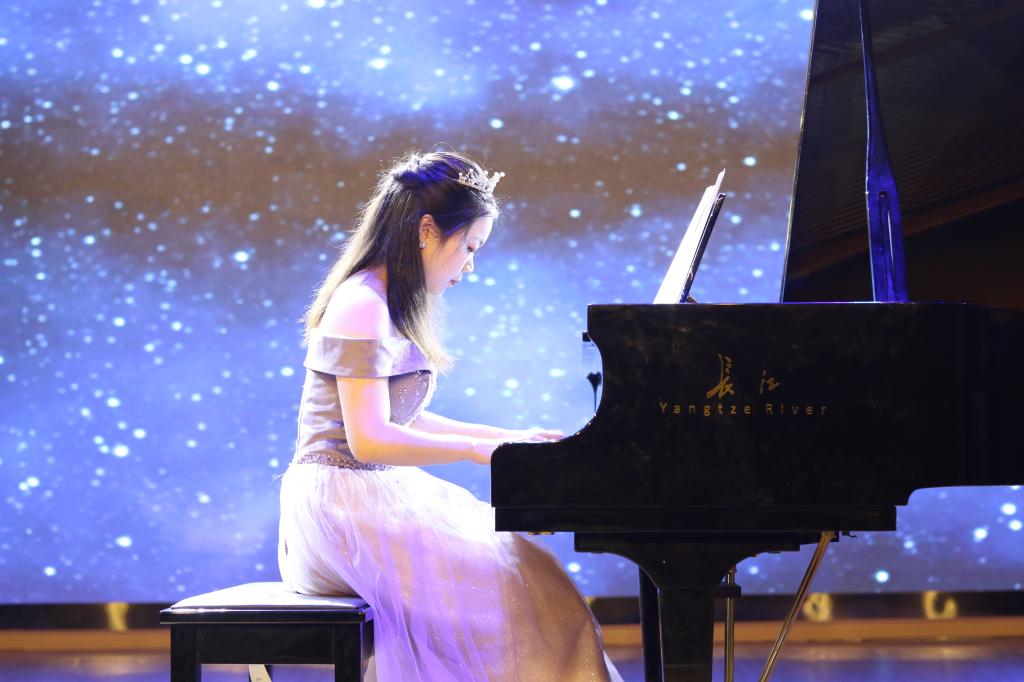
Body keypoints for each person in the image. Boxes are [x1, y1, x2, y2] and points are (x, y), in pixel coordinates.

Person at [277, 150, 623, 681]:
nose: (470, 265)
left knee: (531, 577)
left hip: (362, 495)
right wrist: (478, 450)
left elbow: (407, 418)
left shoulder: (382, 299)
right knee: (518, 590)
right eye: (469, 246)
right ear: (426, 230)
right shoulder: (361, 302)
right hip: (340, 506)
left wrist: (508, 437)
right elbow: (369, 440)